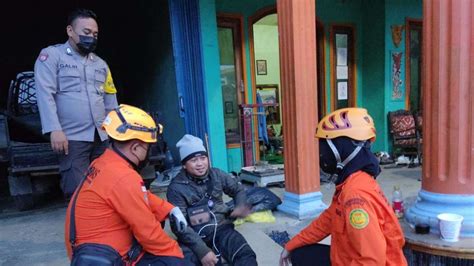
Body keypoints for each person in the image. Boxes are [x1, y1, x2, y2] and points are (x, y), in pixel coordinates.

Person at [280, 108, 407, 266]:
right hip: (346, 258)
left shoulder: (355, 196)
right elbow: (327, 220)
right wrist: (291, 244)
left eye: (325, 148)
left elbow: (372, 261)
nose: (322, 156)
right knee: (300, 253)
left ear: (341, 149)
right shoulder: (352, 182)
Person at [64, 104, 188, 265]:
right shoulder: (123, 177)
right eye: (148, 147)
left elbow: (137, 194)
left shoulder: (103, 163)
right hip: (112, 258)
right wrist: (177, 255)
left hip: (88, 252)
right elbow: (148, 233)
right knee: (183, 256)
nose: (148, 152)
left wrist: (168, 209)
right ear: (135, 148)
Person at [34, 8, 118, 199]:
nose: (92, 37)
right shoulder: (52, 56)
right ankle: (81, 228)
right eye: (86, 33)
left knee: (106, 187)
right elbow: (45, 94)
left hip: (102, 136)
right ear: (70, 31)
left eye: (95, 34)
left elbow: (110, 99)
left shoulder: (101, 64)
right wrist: (54, 129)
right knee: (78, 191)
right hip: (71, 137)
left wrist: (115, 133)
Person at [166, 134, 258, 266]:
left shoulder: (217, 175)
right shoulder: (176, 188)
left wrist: (240, 205)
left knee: (245, 255)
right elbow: (180, 227)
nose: (200, 164)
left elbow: (238, 190)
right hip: (193, 236)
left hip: (222, 228)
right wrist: (202, 251)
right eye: (193, 160)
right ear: (184, 165)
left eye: (203, 158)